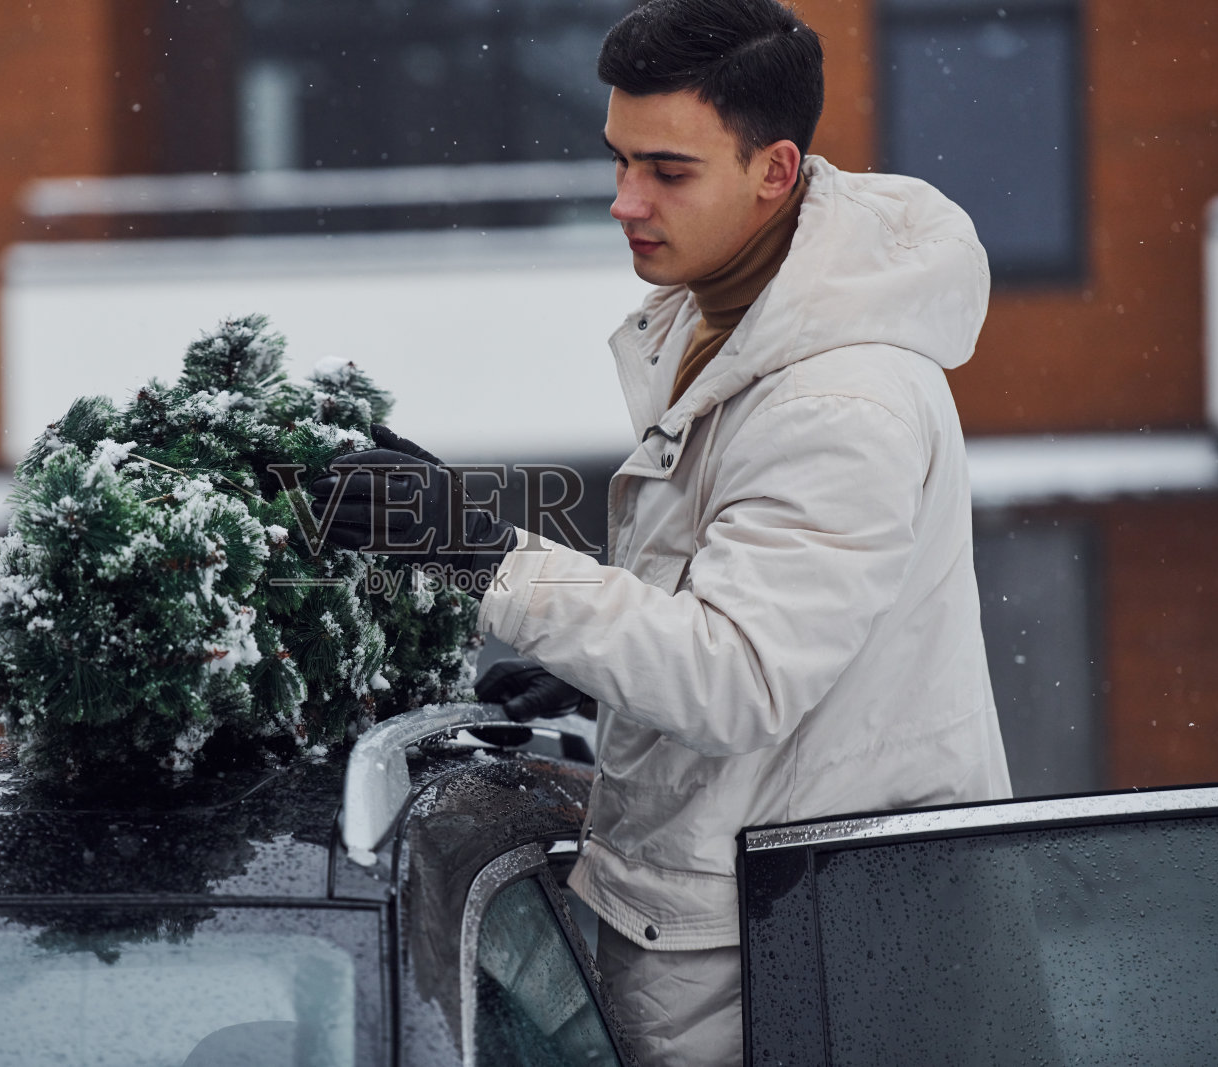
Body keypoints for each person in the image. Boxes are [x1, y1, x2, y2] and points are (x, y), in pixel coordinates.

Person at [308, 0, 1012, 1062]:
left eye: (667, 171)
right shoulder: (738, 314)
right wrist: (604, 678)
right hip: (769, 918)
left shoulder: (836, 401)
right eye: (619, 159)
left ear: (773, 172)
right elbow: (763, 619)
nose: (623, 199)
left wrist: (487, 558)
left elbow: (738, 676)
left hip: (792, 964)